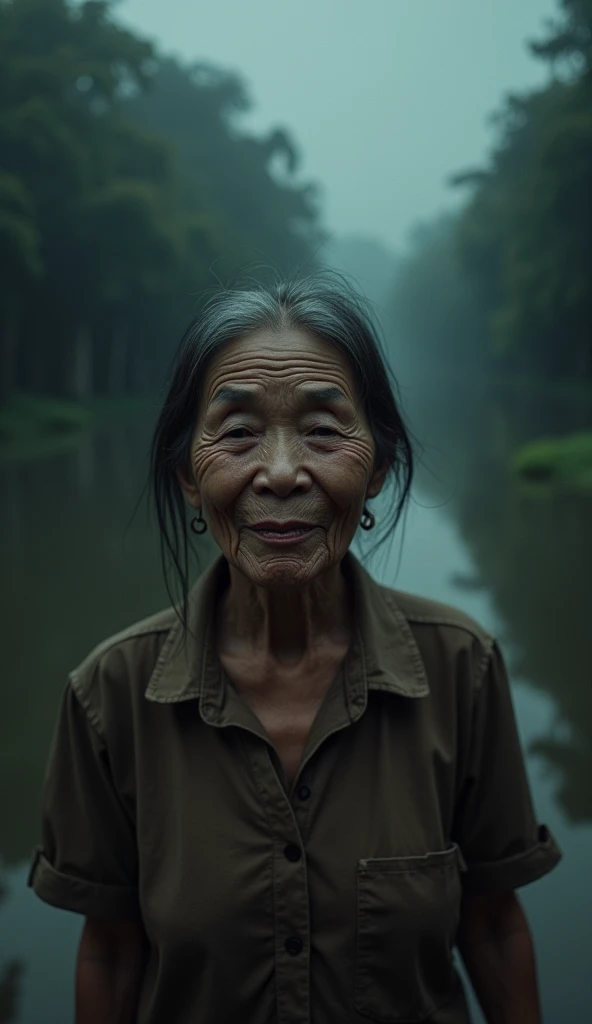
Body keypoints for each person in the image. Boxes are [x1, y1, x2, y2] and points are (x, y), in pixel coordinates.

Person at [28, 273, 561, 1024]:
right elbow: (112, 952)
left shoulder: (461, 667)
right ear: (187, 474)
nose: (280, 474)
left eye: (322, 430)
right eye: (238, 432)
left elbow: (494, 924)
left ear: (376, 468)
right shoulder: (108, 694)